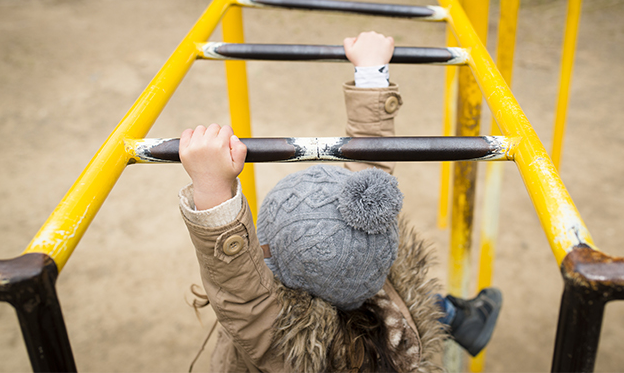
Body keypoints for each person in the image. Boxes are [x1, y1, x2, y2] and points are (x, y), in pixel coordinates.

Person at [178, 32, 502, 372]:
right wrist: (371, 76)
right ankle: (457, 317)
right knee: (406, 289)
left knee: (404, 283)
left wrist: (212, 187)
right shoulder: (372, 276)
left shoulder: (285, 342)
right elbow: (368, 172)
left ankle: (455, 315)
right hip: (389, 308)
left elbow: (241, 290)